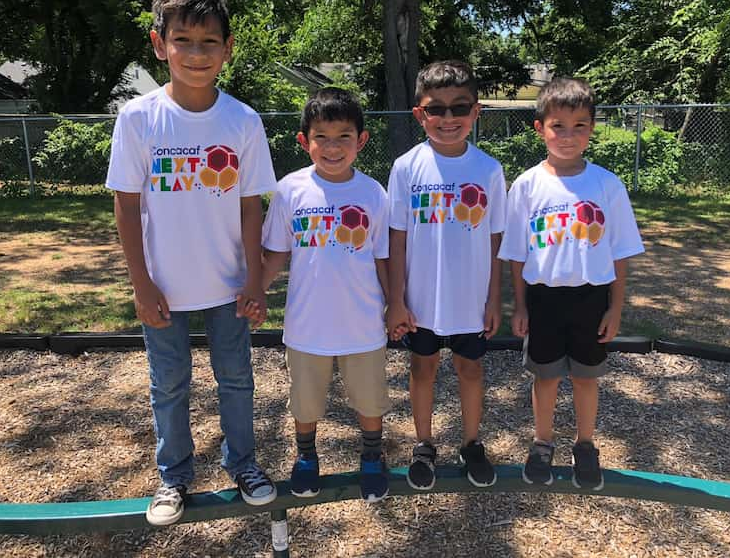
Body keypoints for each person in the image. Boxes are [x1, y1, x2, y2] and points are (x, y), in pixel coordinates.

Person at [106, 0, 278, 526]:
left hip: (228, 285)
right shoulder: (138, 118)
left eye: (209, 42)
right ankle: (174, 476)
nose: (197, 53)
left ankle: (244, 464)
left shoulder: (243, 122)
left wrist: (254, 278)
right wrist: (141, 282)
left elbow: (252, 207)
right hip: (164, 286)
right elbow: (127, 204)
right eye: (183, 40)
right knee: (169, 383)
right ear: (160, 45)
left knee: (236, 379)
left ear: (228, 48)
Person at [499, 77, 644, 490]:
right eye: (557, 125)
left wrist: (615, 308)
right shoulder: (527, 185)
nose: (567, 135)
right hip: (543, 298)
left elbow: (619, 252)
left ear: (592, 129)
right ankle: (542, 442)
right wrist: (520, 305)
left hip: (591, 299)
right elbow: (518, 252)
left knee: (586, 377)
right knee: (545, 377)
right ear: (539, 128)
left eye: (579, 125)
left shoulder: (606, 184)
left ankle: (585, 444)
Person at [262, 87, 392, 503]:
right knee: (305, 399)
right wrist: (255, 292)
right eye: (322, 137)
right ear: (304, 141)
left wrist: (397, 305)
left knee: (369, 397)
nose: (332, 147)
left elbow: (384, 257)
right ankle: (306, 458)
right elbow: (277, 251)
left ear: (361, 141)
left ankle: (371, 457)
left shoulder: (374, 193)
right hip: (306, 324)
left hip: (363, 323)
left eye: (343, 137)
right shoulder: (289, 190)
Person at [386, 60, 506, 490]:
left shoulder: (489, 169)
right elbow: (396, 239)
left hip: (470, 299)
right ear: (420, 114)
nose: (448, 119)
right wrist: (396, 300)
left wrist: (495, 299)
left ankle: (472, 442)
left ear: (476, 112)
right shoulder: (405, 167)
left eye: (460, 108)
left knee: (470, 370)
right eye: (436, 109)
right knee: (423, 369)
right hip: (421, 299)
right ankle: (423, 444)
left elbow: (496, 241)